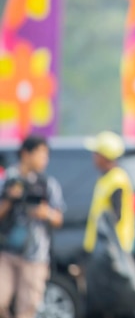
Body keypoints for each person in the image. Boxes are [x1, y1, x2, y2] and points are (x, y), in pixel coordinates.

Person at [82, 130, 135, 317]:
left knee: (122, 300)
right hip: (105, 248)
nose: (93, 157)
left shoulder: (117, 179)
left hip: (114, 250)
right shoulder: (106, 178)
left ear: (105, 156)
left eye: (96, 153)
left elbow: (114, 217)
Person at [0, 135, 65, 318]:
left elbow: (59, 218)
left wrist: (46, 213)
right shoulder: (8, 180)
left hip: (35, 253)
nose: (45, 159)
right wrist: (10, 198)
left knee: (28, 307)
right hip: (6, 250)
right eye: (41, 154)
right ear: (26, 154)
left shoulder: (47, 184)